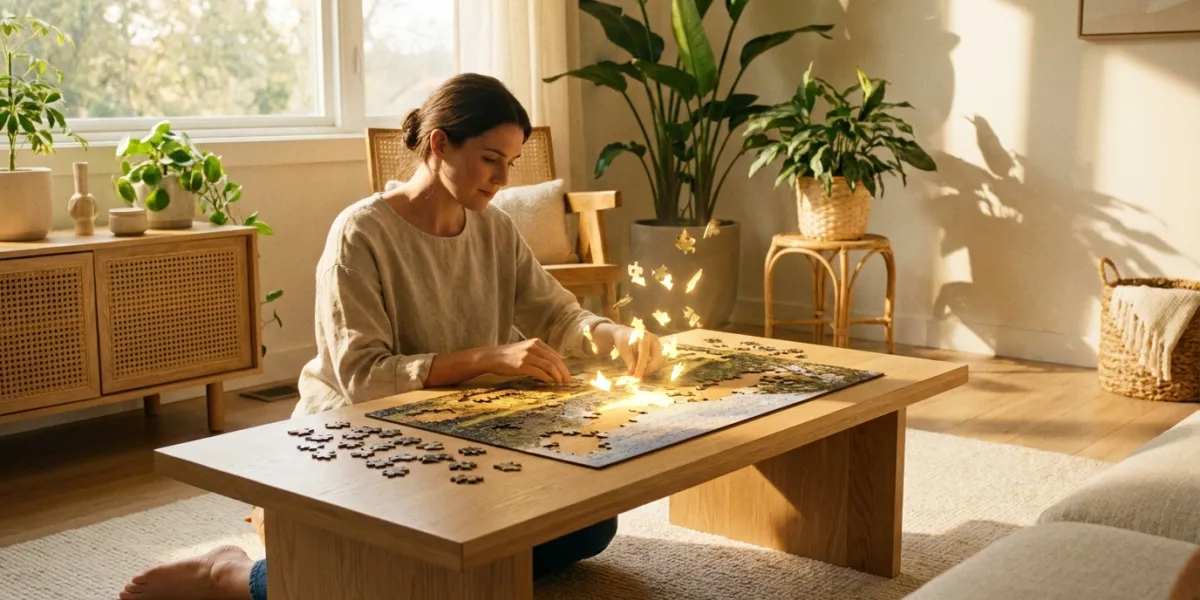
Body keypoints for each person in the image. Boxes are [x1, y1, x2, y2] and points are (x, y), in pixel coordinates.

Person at [119, 73, 664, 600]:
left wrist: (611, 332)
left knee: (591, 529)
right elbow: (365, 378)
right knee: (390, 583)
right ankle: (231, 575)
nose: (502, 179)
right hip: (356, 430)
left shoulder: (495, 227)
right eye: (490, 160)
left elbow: (556, 314)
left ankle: (396, 558)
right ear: (439, 145)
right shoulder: (361, 231)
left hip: (463, 429)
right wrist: (488, 356)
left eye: (511, 163)